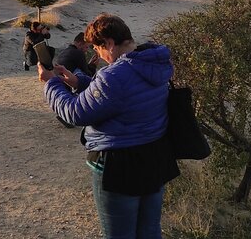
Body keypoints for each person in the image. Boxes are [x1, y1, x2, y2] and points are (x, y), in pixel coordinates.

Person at [38, 14, 179, 238]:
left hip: (119, 166)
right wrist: (78, 81)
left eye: (97, 47)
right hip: (156, 158)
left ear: (110, 44)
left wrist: (52, 83)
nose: (97, 53)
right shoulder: (154, 62)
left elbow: (75, 113)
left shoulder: (113, 76)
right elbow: (123, 92)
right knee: (149, 231)